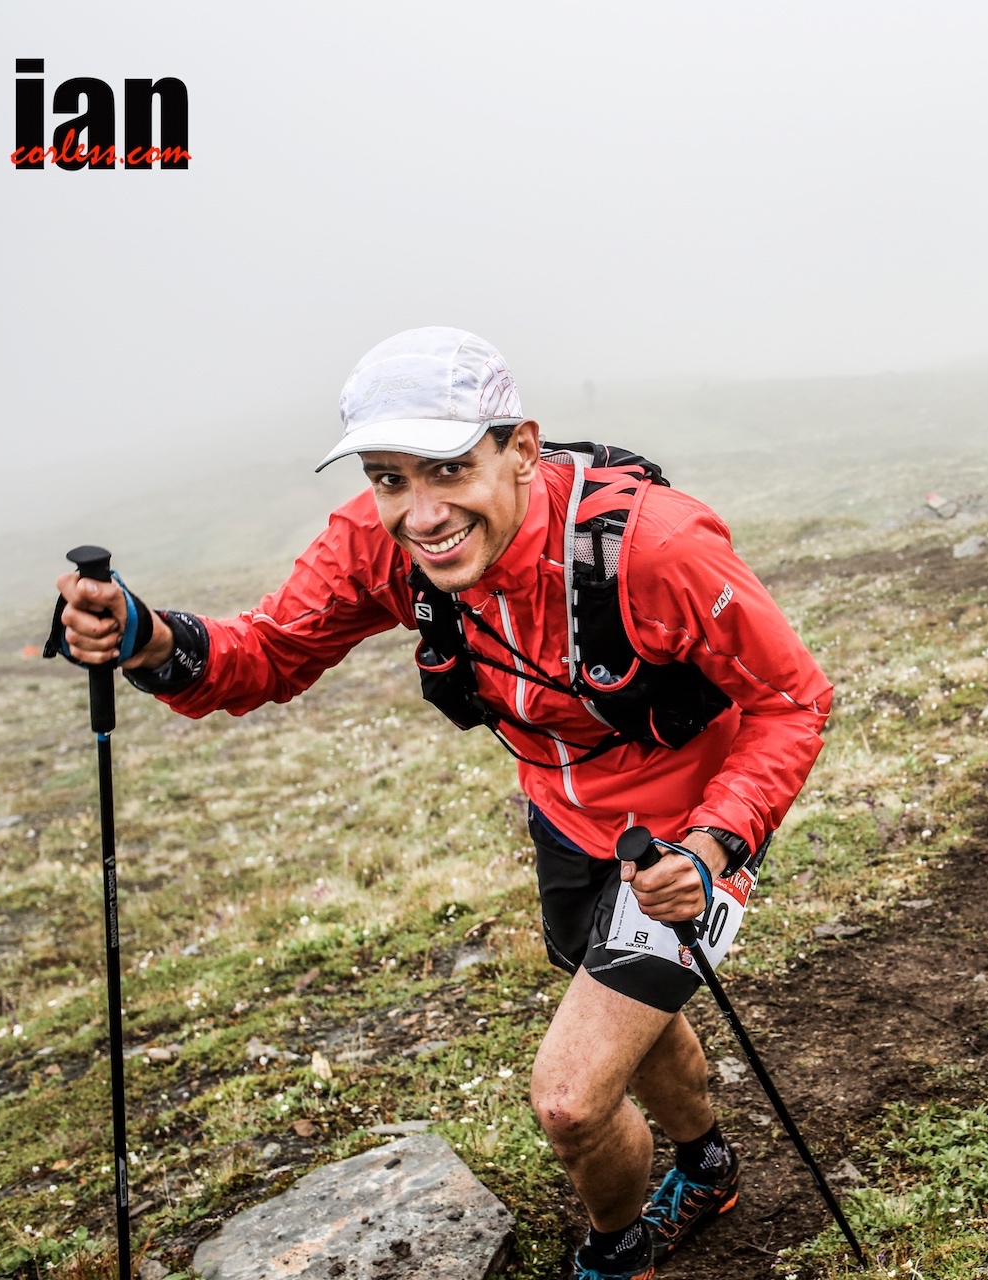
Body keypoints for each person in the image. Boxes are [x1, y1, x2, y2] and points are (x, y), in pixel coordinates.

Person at [52, 327, 834, 1280]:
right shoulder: (378, 544)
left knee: (572, 1102)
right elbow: (269, 653)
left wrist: (712, 847)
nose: (420, 515)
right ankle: (707, 1166)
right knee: (629, 1004)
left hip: (680, 834)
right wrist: (144, 635)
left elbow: (792, 701)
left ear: (522, 450)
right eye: (389, 478)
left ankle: (618, 1251)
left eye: (450, 469)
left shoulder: (655, 549)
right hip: (563, 819)